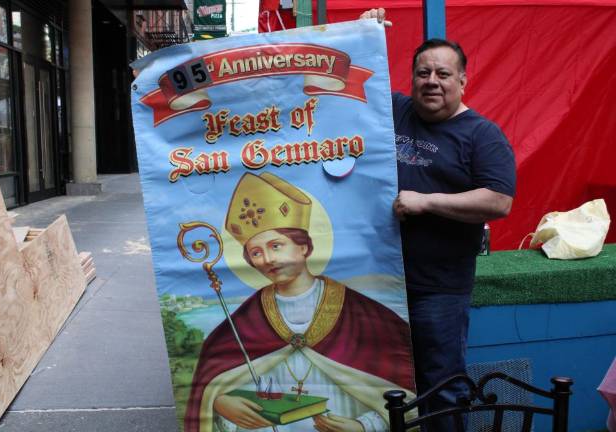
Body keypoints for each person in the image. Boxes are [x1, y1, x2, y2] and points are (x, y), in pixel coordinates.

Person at [360, 9, 516, 430]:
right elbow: (347, 85)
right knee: (374, 381)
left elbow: (499, 201)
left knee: (441, 387)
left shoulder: (481, 135)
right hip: (377, 282)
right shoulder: (395, 110)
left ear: (463, 81)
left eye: (443, 74)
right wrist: (362, 30)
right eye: (423, 72)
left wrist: (427, 202)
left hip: (438, 290)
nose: (432, 81)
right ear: (411, 78)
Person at [184, 172, 415, 432]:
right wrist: (220, 402)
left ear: (303, 247)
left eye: (276, 245)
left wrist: (365, 426)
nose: (268, 259)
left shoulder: (360, 313)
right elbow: (213, 384)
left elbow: (402, 391)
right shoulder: (246, 321)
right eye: (256, 252)